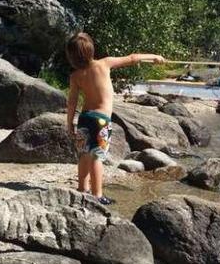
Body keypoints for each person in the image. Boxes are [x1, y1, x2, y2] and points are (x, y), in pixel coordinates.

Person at [65, 32, 165, 205]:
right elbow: (133, 58)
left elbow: (72, 102)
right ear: (91, 50)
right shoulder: (105, 63)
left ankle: (82, 188)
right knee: (97, 157)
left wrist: (69, 124)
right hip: (101, 121)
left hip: (85, 118)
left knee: (84, 155)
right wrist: (154, 56)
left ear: (72, 56)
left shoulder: (75, 76)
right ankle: (97, 195)